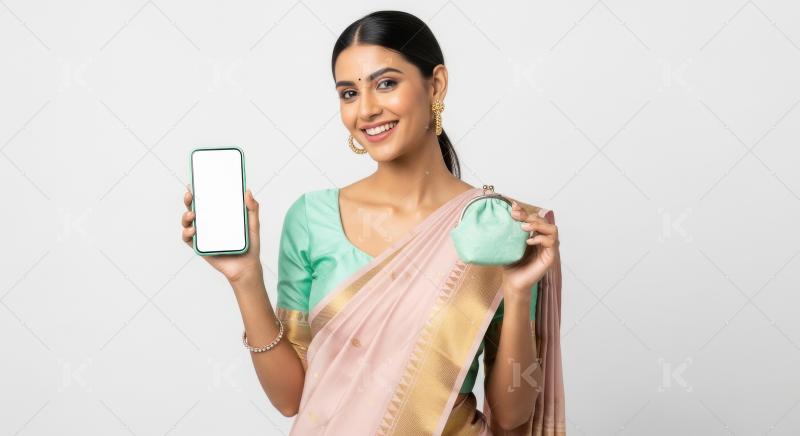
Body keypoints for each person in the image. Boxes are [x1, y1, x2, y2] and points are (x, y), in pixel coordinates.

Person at [180, 10, 565, 435]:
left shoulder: (496, 226)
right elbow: (291, 398)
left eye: (386, 83)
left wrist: (518, 288)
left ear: (435, 84)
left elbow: (513, 415)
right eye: (348, 93)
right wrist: (245, 277)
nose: (366, 109)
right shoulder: (312, 219)